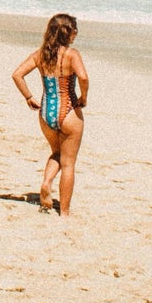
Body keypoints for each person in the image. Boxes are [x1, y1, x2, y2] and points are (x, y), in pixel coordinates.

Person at [12, 13, 89, 217]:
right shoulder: (72, 55)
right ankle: (64, 212)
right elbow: (83, 77)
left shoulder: (41, 55)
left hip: (46, 112)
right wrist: (84, 97)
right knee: (69, 164)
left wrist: (29, 97)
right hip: (69, 111)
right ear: (67, 32)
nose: (76, 33)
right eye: (74, 29)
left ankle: (46, 182)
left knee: (57, 152)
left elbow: (17, 74)